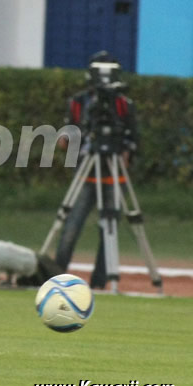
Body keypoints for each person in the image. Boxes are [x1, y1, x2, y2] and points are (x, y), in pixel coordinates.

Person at [55, 52, 138, 289]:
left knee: (109, 227)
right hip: (86, 171)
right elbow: (68, 137)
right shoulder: (78, 102)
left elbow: (132, 140)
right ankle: (56, 274)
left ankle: (101, 280)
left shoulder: (123, 104)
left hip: (113, 174)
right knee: (72, 224)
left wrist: (123, 156)